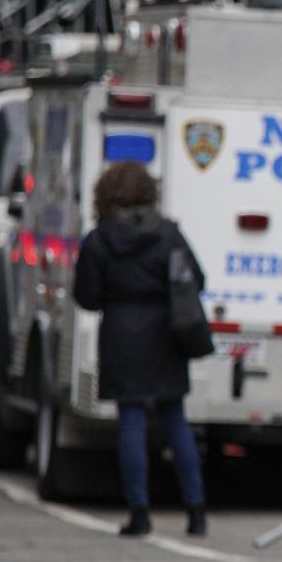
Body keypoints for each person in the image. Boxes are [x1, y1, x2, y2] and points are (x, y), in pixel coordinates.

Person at [74, 161, 208, 537]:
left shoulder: (99, 240)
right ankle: (196, 512)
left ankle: (139, 512)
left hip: (121, 333)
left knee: (131, 421)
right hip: (167, 333)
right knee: (175, 421)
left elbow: (86, 296)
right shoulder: (169, 234)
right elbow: (197, 279)